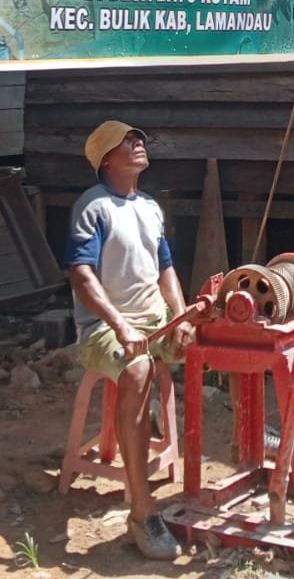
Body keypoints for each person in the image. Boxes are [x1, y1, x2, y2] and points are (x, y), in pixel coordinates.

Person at [66, 120, 195, 561]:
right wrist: (120, 325)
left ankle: (249, 453)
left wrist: (179, 317)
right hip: (104, 329)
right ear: (105, 159)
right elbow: (81, 275)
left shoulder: (150, 207)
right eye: (127, 140)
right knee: (137, 369)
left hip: (152, 320)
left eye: (140, 137)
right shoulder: (93, 207)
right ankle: (142, 511)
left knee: (224, 337)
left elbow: (166, 271)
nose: (139, 143)